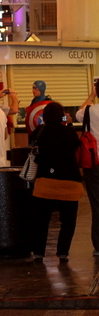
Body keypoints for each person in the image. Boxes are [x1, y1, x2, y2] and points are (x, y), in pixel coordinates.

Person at [30, 102, 83, 262]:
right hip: (69, 183)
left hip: (45, 182)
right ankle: (62, 253)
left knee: (41, 221)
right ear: (62, 115)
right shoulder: (69, 132)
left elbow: (33, 143)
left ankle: (39, 253)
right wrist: (68, 123)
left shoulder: (39, 132)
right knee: (68, 221)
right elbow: (76, 146)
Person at [75, 79, 99, 257]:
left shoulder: (90, 111)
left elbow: (78, 115)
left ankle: (98, 245)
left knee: (96, 204)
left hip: (94, 163)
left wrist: (91, 96)